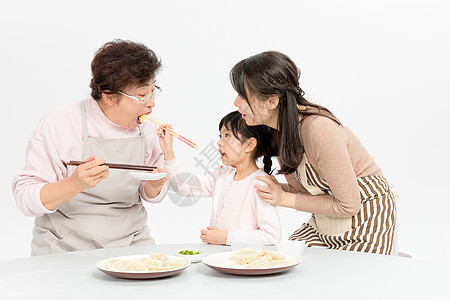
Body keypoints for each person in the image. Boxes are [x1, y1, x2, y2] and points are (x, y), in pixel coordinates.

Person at [230, 51, 397, 255]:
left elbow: (349, 205)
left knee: (351, 281)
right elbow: (306, 193)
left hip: (366, 217)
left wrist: (282, 198)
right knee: (284, 259)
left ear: (272, 102)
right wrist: (273, 189)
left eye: (242, 95)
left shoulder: (319, 130)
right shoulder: (282, 130)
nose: (236, 103)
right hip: (328, 221)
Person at [12, 40, 169, 255]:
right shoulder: (61, 123)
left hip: (131, 243)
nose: (151, 103)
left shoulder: (148, 128)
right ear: (109, 96)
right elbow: (26, 198)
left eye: (153, 91)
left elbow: (151, 194)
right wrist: (75, 183)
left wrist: (155, 184)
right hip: (63, 246)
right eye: (142, 95)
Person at [157, 111, 281, 245]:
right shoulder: (223, 176)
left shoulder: (261, 183)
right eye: (220, 136)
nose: (219, 143)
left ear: (249, 144)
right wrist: (168, 151)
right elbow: (182, 187)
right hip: (216, 258)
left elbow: (271, 235)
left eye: (227, 135)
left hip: (242, 261)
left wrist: (227, 238)